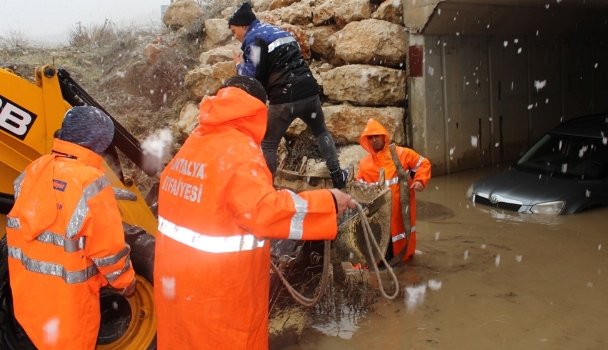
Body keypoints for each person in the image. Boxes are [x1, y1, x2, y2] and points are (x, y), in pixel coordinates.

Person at [153, 75, 355, 349]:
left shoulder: (191, 147)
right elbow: (263, 212)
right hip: (222, 294)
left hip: (178, 289)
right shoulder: (240, 153)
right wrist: (328, 202)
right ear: (258, 109)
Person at [5, 106, 136, 350]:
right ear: (99, 143)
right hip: (70, 310)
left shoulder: (34, 170)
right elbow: (108, 250)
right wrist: (126, 283)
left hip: (28, 303)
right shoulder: (91, 183)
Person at [228, 2, 350, 188]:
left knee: (268, 144)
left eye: (234, 31)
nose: (235, 36)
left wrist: (238, 65)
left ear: (244, 26)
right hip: (309, 92)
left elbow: (250, 77)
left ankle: (266, 189)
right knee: (321, 132)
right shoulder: (278, 31)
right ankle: (338, 177)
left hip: (284, 98)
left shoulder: (254, 37)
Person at [355, 118, 432, 262]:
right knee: (379, 247)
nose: (374, 140)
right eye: (370, 138)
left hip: (400, 213)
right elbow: (359, 189)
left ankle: (401, 268)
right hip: (378, 215)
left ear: (384, 136)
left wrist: (420, 180)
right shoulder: (364, 164)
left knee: (401, 248)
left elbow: (423, 164)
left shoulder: (402, 154)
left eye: (376, 136)